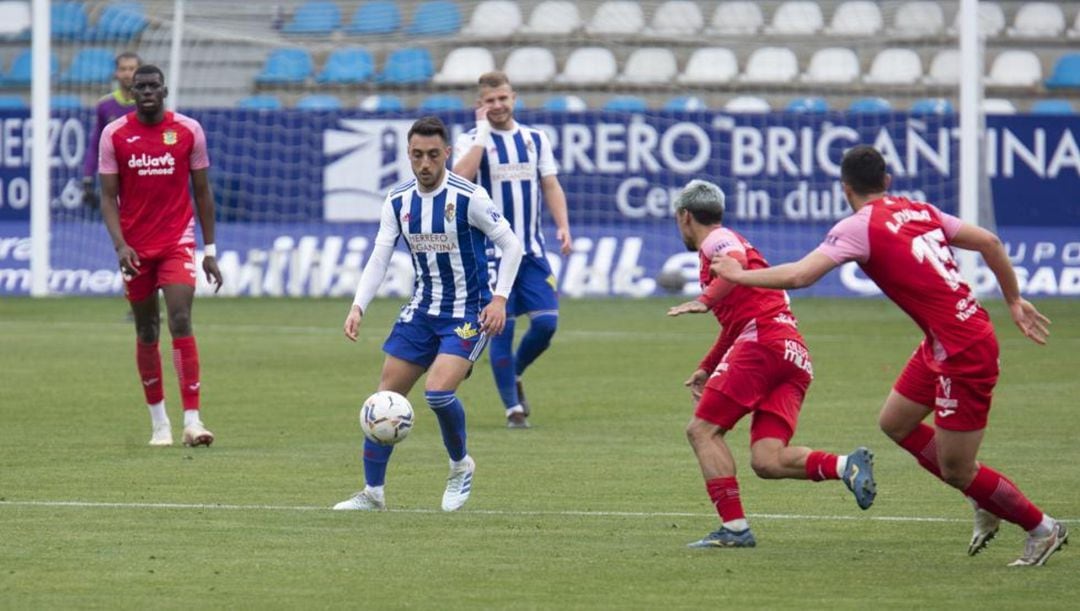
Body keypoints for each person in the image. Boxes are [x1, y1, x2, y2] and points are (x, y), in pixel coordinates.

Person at [713, 145, 1066, 566]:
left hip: (963, 352)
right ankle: (982, 495)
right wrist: (1013, 300)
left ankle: (1042, 528)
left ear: (845, 189)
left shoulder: (858, 227)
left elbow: (801, 275)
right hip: (947, 338)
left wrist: (738, 274)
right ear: (887, 181)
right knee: (895, 422)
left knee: (958, 468)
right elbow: (989, 241)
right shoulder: (920, 209)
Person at [667, 180, 877, 548]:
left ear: (685, 216)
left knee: (701, 431)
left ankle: (734, 530)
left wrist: (705, 299)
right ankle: (846, 465)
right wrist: (707, 364)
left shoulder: (717, 240)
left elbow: (738, 262)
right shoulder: (733, 244)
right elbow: (739, 318)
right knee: (767, 460)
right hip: (792, 354)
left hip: (762, 344)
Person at [334, 116, 523, 512]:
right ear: (408, 154)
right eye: (417, 155)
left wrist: (500, 299)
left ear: (447, 154)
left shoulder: (470, 197)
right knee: (384, 398)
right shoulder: (399, 200)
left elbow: (512, 246)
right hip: (421, 311)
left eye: (433, 155)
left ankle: (460, 465)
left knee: (437, 393)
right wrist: (358, 306)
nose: (425, 164)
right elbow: (380, 256)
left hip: (469, 313)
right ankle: (373, 494)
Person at [99, 65, 223, 448]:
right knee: (147, 330)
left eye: (154, 85)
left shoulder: (188, 131)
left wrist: (210, 250)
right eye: (141, 87)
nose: (148, 91)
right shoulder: (114, 135)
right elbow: (107, 196)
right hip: (136, 248)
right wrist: (120, 245)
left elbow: (202, 193)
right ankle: (159, 424)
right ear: (131, 92)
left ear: (164, 90)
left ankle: (192, 420)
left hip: (176, 242)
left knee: (181, 318)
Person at [452, 71, 572, 429]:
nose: (498, 106)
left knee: (547, 323)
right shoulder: (470, 139)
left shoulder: (535, 139)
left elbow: (550, 184)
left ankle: (513, 371)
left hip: (532, 252)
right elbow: (459, 179)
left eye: (503, 98)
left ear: (514, 98)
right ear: (480, 105)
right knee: (499, 329)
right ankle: (513, 410)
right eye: (490, 101)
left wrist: (563, 226)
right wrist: (483, 135)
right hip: (490, 254)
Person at [83, 52, 141, 209]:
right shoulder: (105, 105)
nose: (127, 73)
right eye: (123, 69)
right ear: (116, 72)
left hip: (145, 174)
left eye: (132, 68)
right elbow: (96, 144)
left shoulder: (149, 103)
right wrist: (88, 177)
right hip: (116, 176)